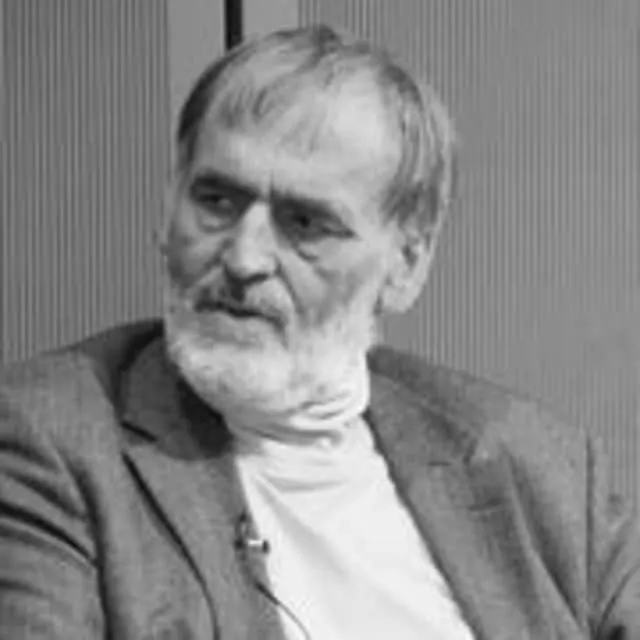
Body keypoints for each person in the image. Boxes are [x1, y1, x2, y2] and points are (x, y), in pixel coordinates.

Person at [0, 24, 638, 640]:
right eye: (216, 201)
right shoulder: (51, 439)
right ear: (168, 209)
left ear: (406, 265)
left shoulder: (541, 468)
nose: (244, 258)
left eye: (304, 223)